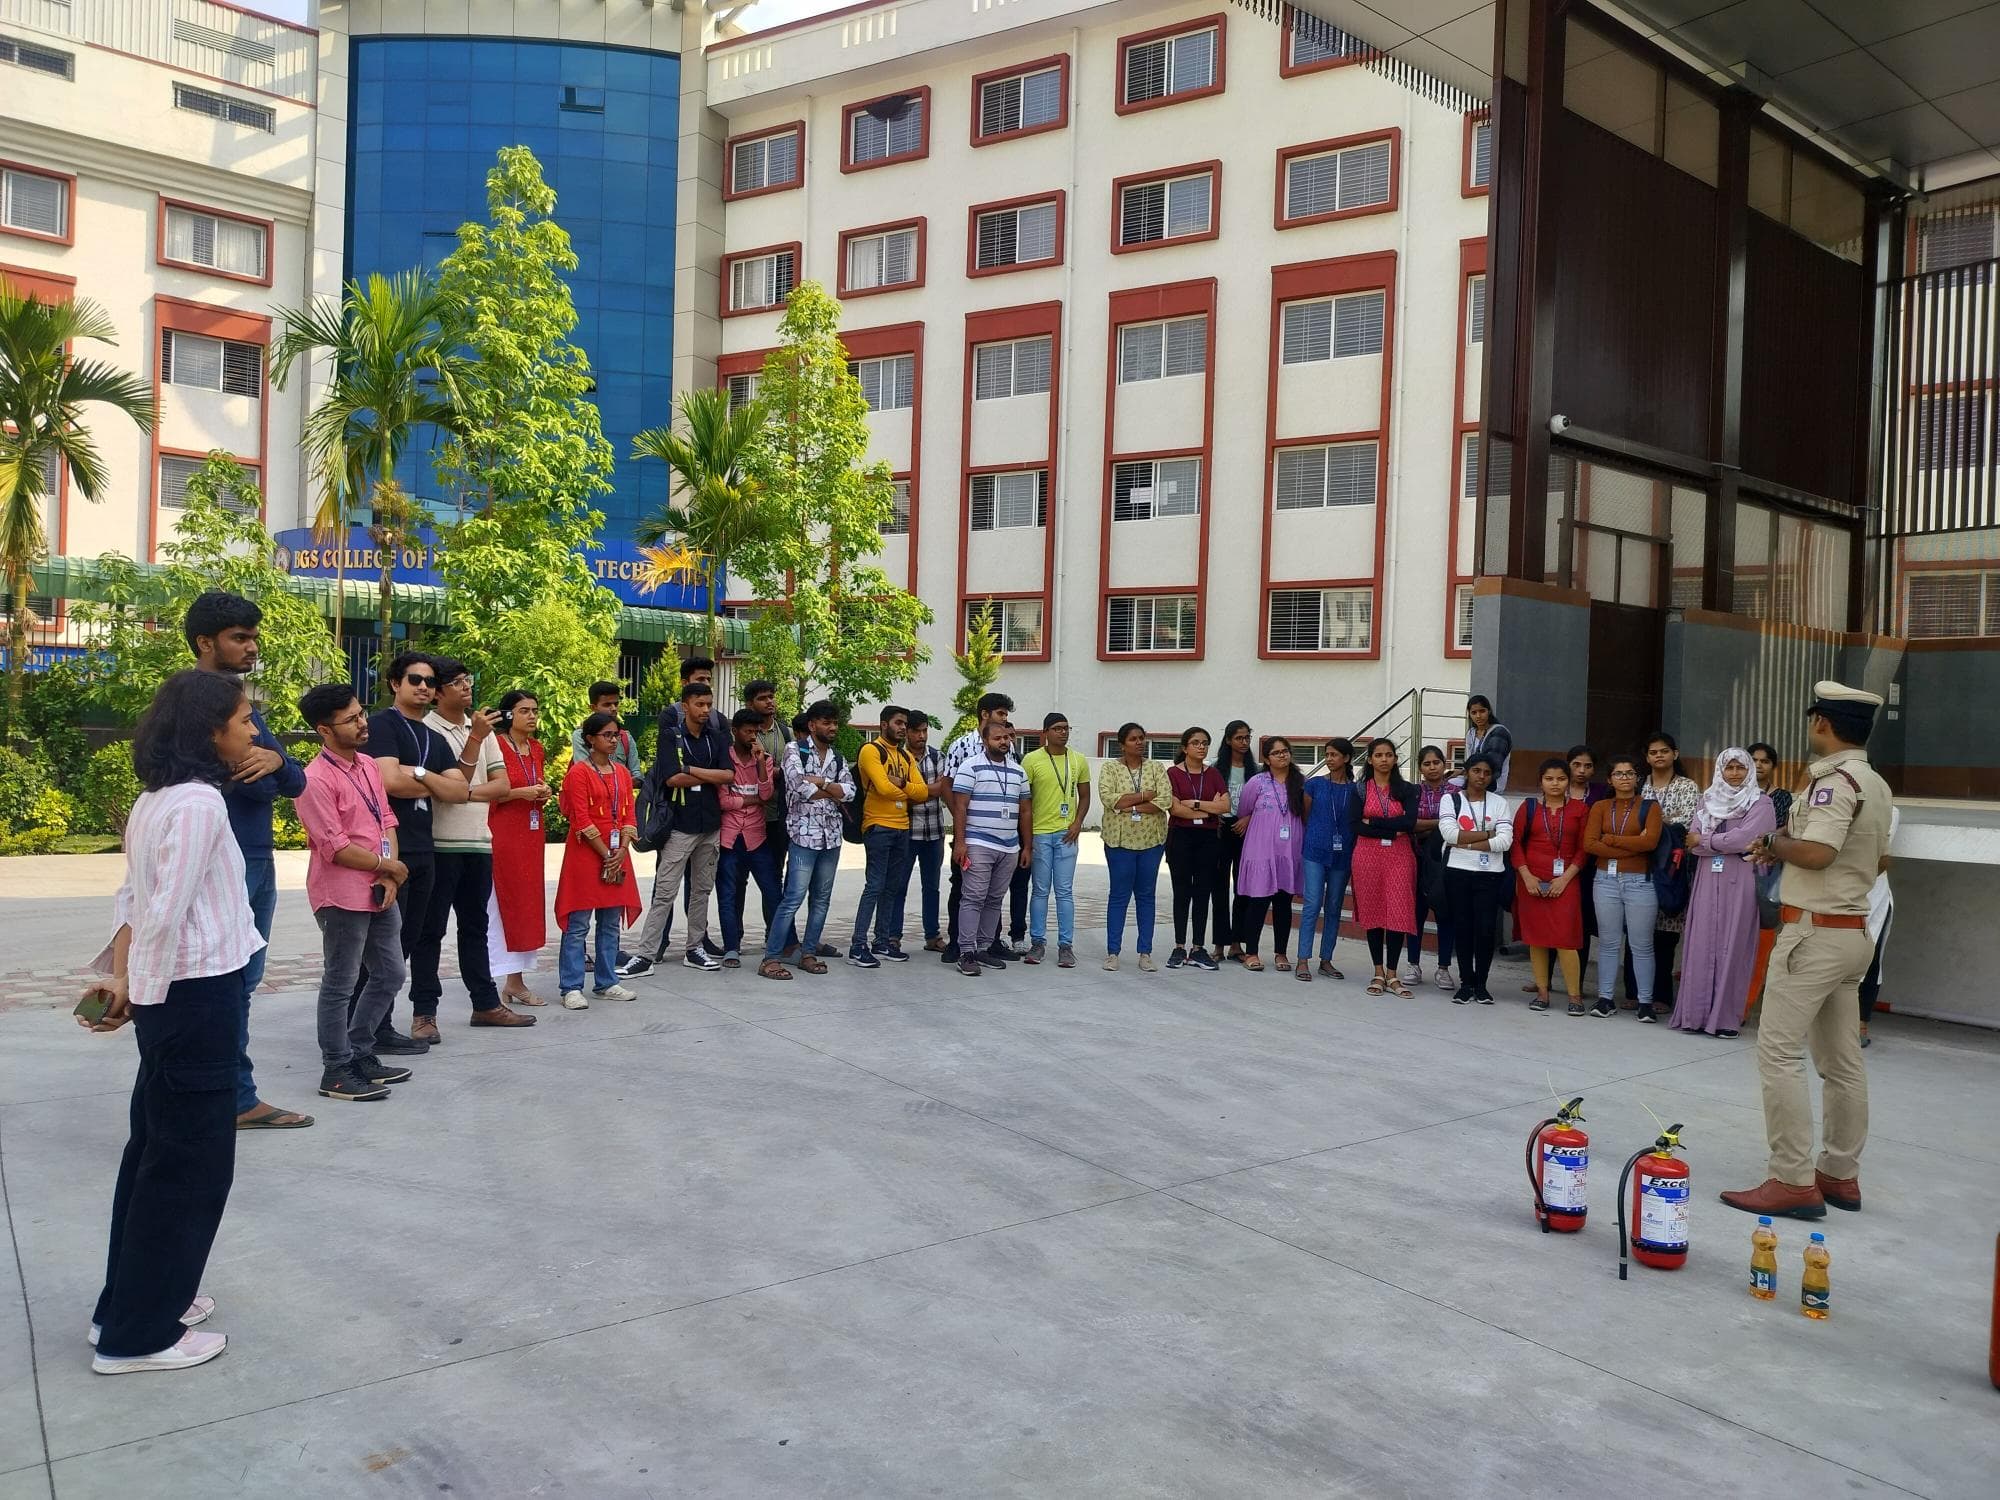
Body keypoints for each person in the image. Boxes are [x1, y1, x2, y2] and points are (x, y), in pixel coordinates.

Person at [79, 671, 265, 1374]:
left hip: (174, 998)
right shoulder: (197, 805)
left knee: (155, 1155)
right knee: (189, 1167)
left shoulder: (156, 800)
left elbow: (134, 900)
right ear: (209, 731)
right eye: (243, 720)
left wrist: (124, 986)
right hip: (194, 997)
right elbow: (161, 910)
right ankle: (140, 1336)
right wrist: (138, 992)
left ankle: (127, 1309)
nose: (251, 732)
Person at [1721, 682, 1893, 1220]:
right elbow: (1875, 860)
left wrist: (1775, 843)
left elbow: (1818, 851)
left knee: (1777, 1053)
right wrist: (1785, 852)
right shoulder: (1876, 783)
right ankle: (1840, 1175)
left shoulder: (1833, 782)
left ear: (1822, 722)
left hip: (1813, 934)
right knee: (1842, 1063)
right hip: (1851, 933)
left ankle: (1792, 1179)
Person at [181, 591, 312, 1132]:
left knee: (245, 981)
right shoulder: (190, 704)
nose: (251, 646)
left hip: (256, 860)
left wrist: (277, 758)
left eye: (253, 637)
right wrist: (266, 775)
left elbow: (296, 780)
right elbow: (201, 782)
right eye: (239, 638)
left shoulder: (244, 707)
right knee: (219, 983)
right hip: (217, 862)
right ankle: (231, 1096)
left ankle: (230, 1092)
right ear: (205, 642)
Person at [294, 684, 412, 1102]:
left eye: (362, 714)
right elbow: (336, 847)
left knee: (391, 973)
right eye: (352, 719)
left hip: (380, 888)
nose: (363, 723)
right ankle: (337, 1069)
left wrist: (391, 875)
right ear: (324, 730)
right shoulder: (314, 780)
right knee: (341, 982)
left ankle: (361, 1051)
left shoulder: (366, 766)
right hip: (341, 894)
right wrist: (388, 867)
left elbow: (387, 823)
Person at [357, 652, 470, 1052]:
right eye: (414, 679)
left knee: (407, 941)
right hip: (388, 849)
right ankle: (362, 1030)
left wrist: (418, 772)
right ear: (394, 684)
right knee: (378, 946)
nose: (423, 686)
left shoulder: (435, 739)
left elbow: (460, 793)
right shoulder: (381, 726)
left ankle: (378, 1027)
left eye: (428, 682)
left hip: (426, 848)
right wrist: (433, 781)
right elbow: (388, 782)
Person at [418, 659, 535, 1029]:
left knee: (475, 927)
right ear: (437, 691)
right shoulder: (424, 729)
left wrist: (458, 791)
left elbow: (501, 787)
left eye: (468, 680)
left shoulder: (481, 729)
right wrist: (459, 788)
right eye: (456, 682)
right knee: (430, 931)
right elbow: (440, 792)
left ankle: (485, 1004)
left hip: (479, 842)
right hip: (439, 843)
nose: (466, 687)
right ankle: (425, 1013)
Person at [1670, 747, 1777, 1038]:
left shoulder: (1761, 802)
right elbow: (1691, 841)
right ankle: (1694, 1016)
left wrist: (1707, 840)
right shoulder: (1708, 798)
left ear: (1749, 771)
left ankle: (1726, 1020)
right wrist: (1713, 842)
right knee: (1702, 943)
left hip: (1741, 879)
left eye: (1740, 768)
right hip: (1708, 877)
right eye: (1728, 768)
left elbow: (1746, 840)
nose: (1734, 773)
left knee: (1734, 945)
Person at [629, 680, 733, 974]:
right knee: (665, 891)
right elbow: (672, 778)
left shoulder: (717, 737)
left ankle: (694, 948)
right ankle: (646, 955)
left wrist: (691, 770)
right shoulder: (670, 736)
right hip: (679, 825)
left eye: (709, 705)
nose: (705, 710)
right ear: (685, 706)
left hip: (710, 824)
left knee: (701, 890)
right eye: (699, 704)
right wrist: (704, 774)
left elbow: (728, 776)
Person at [759, 701, 855, 981]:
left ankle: (808, 953)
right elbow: (800, 789)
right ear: (812, 725)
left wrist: (822, 783)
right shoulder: (794, 750)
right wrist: (830, 789)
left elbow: (850, 791)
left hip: (832, 838)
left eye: (835, 722)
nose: (833, 727)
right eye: (826, 722)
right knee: (793, 898)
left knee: (822, 900)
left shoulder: (837, 756)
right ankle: (771, 958)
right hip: (803, 836)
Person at [555, 712, 642, 1009]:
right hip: (586, 852)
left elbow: (629, 813)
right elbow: (580, 818)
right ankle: (571, 986)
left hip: (617, 851)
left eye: (616, 735)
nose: (613, 739)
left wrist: (622, 849)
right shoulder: (579, 772)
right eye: (607, 735)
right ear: (590, 739)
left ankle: (606, 982)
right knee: (578, 922)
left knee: (609, 923)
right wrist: (607, 855)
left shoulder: (621, 772)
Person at [941, 692, 1026, 964]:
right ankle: (960, 945)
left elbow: (1020, 802)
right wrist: (963, 833)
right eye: (1001, 714)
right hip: (974, 837)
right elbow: (949, 788)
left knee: (993, 896)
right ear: (985, 714)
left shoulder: (1010, 753)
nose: (1005, 722)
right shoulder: (963, 748)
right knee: (966, 891)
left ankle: (986, 946)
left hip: (1006, 842)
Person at [1584, 755, 1664, 1021]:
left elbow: (1650, 843)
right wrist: (1632, 843)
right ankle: (1605, 998)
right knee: (1608, 943)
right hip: (1605, 880)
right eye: (1618, 774)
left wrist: (1613, 842)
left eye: (1630, 773)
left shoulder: (1650, 807)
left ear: (1637, 778)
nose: (1625, 778)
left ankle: (1645, 1002)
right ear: (1610, 779)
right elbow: (1590, 844)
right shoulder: (1600, 807)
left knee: (1641, 944)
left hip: (1640, 882)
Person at [848, 704, 928, 968]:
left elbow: (924, 792)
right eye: (898, 722)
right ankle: (858, 946)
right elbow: (882, 787)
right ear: (884, 724)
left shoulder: (905, 757)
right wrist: (908, 789)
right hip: (878, 826)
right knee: (874, 886)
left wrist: (902, 784)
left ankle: (881, 942)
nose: (903, 727)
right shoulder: (872, 750)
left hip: (902, 827)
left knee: (892, 888)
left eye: (905, 723)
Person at [487, 691, 552, 1007]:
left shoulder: (536, 748)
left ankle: (515, 980)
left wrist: (541, 791)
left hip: (531, 834)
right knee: (504, 905)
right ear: (508, 714)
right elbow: (485, 792)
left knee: (528, 905)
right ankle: (503, 978)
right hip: (504, 834)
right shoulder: (496, 745)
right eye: (524, 710)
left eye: (535, 710)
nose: (531, 715)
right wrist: (520, 793)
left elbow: (532, 783)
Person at [1629, 730, 1700, 1004]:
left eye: (1664, 751)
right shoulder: (1636, 785)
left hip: (1672, 866)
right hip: (1637, 864)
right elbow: (1630, 821)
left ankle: (1661, 996)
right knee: (1636, 931)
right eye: (1653, 752)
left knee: (1665, 934)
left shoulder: (1687, 786)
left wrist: (1650, 825)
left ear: (1675, 754)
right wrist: (1661, 822)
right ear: (1646, 757)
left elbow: (1686, 822)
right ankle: (1634, 993)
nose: (1658, 756)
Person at [1437, 752, 1513, 1003]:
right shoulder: (1450, 799)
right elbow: (1449, 834)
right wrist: (1487, 834)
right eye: (1477, 770)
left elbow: (1504, 841)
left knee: (1485, 930)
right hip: (1457, 872)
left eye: (1487, 772)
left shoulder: (1499, 803)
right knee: (1463, 928)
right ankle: (1465, 983)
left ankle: (1481, 984)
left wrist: (1466, 843)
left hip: (1489, 875)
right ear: (1467, 772)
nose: (1481, 776)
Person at [1514, 757, 1587, 1014]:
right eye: (1549, 779)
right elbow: (1515, 846)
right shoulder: (1529, 807)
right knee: (1537, 940)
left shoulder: (1580, 809)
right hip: (1531, 882)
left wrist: (1565, 878)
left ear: (1568, 781)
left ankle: (1575, 997)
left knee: (1566, 940)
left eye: (1560, 778)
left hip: (1566, 882)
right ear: (1541, 781)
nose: (1555, 784)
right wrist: (1527, 876)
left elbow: (1583, 849)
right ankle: (1542, 994)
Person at [1101, 721, 1171, 972]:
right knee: (1119, 896)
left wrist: (1129, 805)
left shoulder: (1155, 768)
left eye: (1142, 738)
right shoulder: (1110, 768)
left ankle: (1145, 952)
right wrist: (1144, 796)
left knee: (1146, 896)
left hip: (1151, 841)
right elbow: (1110, 799)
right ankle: (1112, 952)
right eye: (1133, 739)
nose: (1139, 742)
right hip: (1118, 842)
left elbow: (1164, 800)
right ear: (1122, 744)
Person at [1351, 738, 1419, 996]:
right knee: (1374, 912)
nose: (1383, 759)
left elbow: (1410, 822)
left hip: (1400, 856)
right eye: (1378, 755)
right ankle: (1378, 972)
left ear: (1395, 759)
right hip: (1367, 856)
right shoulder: (1359, 790)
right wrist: (1392, 828)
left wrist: (1375, 822)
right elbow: (1355, 825)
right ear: (1369, 759)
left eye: (1388, 755)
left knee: (1398, 912)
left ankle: (1393, 974)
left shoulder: (1407, 789)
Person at [1232, 735, 1306, 972]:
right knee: (1258, 901)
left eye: (1285, 751)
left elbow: (1306, 814)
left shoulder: (1301, 782)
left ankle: (1281, 953)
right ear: (1266, 758)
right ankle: (1251, 952)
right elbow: (1244, 809)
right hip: (1261, 850)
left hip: (1289, 851)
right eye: (1276, 752)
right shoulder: (1257, 782)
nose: (1282, 755)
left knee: (1284, 904)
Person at [716, 707, 780, 969]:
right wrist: (751, 801)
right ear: (735, 731)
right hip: (730, 837)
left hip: (757, 836)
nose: (753, 736)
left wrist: (761, 765)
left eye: (756, 732)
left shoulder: (762, 759)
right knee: (728, 893)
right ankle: (731, 947)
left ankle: (779, 945)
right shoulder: (724, 759)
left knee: (774, 892)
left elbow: (766, 795)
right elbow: (723, 801)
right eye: (748, 731)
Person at [1296, 737, 1360, 982]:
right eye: (1327, 754)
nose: (1330, 759)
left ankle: (1326, 959)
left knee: (1333, 907)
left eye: (1334, 755)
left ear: (1346, 758)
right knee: (1312, 904)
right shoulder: (1314, 785)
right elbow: (1305, 815)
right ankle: (1303, 959)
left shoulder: (1355, 790)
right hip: (1314, 850)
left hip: (1343, 853)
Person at [1165, 726, 1228, 971]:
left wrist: (1197, 805)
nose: (1201, 747)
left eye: (1205, 743)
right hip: (1180, 837)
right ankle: (1180, 946)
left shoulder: (1213, 774)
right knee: (1182, 892)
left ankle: (1198, 948)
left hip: (1208, 839)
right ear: (1184, 747)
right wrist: (1207, 809)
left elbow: (1225, 806)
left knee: (1203, 893)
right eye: (1195, 743)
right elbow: (1176, 809)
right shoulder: (1172, 773)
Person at [1744, 741, 1793, 1015]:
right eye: (1753, 760)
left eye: (1764, 761)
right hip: (1733, 870)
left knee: (1762, 939)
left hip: (1766, 872)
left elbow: (1783, 834)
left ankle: (1745, 1004)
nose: (1758, 765)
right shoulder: (1734, 795)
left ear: (1773, 766)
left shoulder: (1783, 797)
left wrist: (1761, 843)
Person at [743, 679, 792, 947]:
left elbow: (791, 769)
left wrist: (772, 772)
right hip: (748, 816)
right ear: (751, 703)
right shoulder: (742, 733)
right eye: (763, 698)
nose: (770, 702)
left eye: (772, 697)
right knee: (739, 880)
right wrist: (769, 771)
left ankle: (774, 933)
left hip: (777, 816)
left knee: (775, 876)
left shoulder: (784, 732)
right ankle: (733, 939)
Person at [1409, 746, 1457, 993]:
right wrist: (1441, 824)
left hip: (1446, 863)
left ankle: (1444, 968)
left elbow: (1459, 827)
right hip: (1416, 859)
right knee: (1416, 914)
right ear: (1420, 767)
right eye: (1426, 763)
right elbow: (1410, 824)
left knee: (1444, 914)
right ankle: (1413, 965)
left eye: (1436, 762)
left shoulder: (1457, 793)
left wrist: (1427, 828)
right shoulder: (1413, 792)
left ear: (1443, 763)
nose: (1432, 767)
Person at [1213, 721, 1258, 961]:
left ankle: (1237, 943)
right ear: (1229, 740)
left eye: (1247, 737)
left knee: (1243, 888)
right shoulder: (1216, 769)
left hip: (1246, 830)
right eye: (1239, 738)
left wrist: (1249, 818)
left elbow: (1263, 801)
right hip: (1221, 830)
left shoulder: (1256, 770)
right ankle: (1219, 943)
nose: (1244, 742)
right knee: (1219, 887)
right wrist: (1215, 815)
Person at [905, 711, 948, 953]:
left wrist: (913, 790)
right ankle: (892, 936)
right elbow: (897, 793)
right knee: (898, 885)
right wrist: (926, 791)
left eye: (924, 731)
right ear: (908, 732)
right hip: (907, 832)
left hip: (934, 832)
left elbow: (943, 788)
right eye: (916, 731)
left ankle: (932, 936)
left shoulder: (936, 756)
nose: (921, 736)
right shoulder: (899, 757)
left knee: (931, 886)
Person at [1858, 806, 1898, 1049]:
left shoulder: (1889, 811)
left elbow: (1875, 859)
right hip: (1833, 896)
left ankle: (1861, 1023)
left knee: (1870, 961)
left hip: (1874, 898)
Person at [571, 679, 643, 781]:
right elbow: (584, 774)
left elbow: (637, 775)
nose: (613, 708)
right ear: (593, 707)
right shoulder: (581, 736)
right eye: (607, 705)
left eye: (616, 704)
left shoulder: (625, 737)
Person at [1464, 695, 1513, 791]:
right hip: (1473, 779)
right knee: (1448, 783)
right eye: (1474, 712)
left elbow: (1493, 767)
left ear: (1489, 711)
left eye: (1482, 711)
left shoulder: (1499, 732)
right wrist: (1461, 772)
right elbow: (1468, 763)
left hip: (1492, 783)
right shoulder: (1471, 733)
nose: (1478, 716)